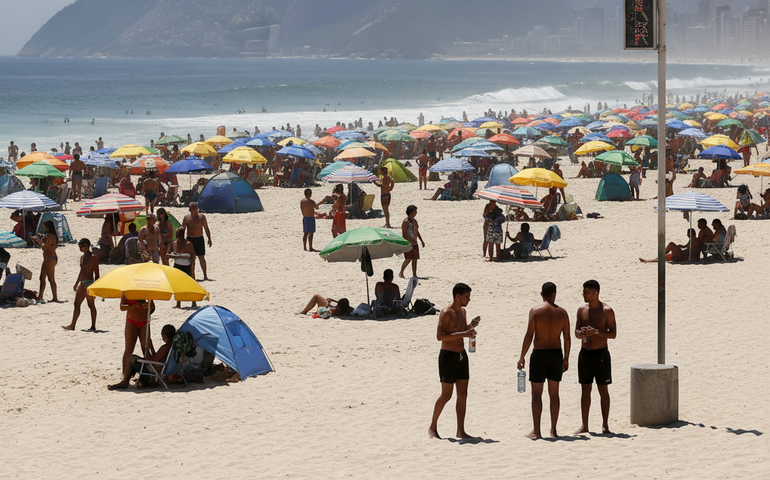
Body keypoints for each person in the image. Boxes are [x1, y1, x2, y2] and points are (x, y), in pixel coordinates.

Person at [517, 282, 571, 439]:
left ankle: (537, 431)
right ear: (555, 294)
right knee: (554, 394)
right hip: (556, 354)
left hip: (539, 355)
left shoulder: (535, 311)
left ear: (542, 294)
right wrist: (566, 358)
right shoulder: (562, 313)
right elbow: (567, 338)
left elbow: (529, 335)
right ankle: (553, 430)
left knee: (536, 394)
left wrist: (522, 356)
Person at [428, 283, 479, 440]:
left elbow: (462, 329)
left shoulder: (463, 312)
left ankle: (460, 431)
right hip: (448, 356)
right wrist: (463, 333)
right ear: (458, 296)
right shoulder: (446, 313)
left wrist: (471, 327)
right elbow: (440, 336)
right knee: (446, 395)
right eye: (466, 296)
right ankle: (432, 427)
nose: (468, 300)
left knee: (463, 394)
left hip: (461, 356)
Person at [574, 280, 617, 435]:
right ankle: (585, 425)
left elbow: (613, 334)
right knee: (585, 390)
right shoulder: (581, 310)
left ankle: (605, 425)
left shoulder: (607, 310)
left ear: (595, 293)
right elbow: (576, 332)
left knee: (603, 389)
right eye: (583, 292)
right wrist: (581, 334)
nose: (584, 295)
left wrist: (597, 332)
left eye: (587, 292)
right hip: (585, 354)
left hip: (601, 353)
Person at [108, 295, 157, 390]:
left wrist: (147, 307)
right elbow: (122, 307)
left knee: (145, 348)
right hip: (132, 321)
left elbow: (153, 307)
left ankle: (149, 376)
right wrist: (135, 306)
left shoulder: (146, 288)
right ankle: (125, 379)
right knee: (129, 349)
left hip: (144, 321)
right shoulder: (128, 290)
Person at [63, 239, 99, 331]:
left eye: (82, 246)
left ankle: (90, 325)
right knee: (81, 304)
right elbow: (81, 271)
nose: (80, 248)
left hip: (89, 283)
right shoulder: (82, 258)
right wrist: (76, 283)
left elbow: (97, 273)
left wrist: (97, 286)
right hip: (83, 283)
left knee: (87, 305)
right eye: (79, 246)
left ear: (87, 246)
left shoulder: (93, 257)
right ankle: (74, 325)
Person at [181, 202, 212, 280]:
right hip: (190, 239)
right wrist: (182, 241)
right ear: (190, 209)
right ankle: (192, 275)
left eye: (196, 207)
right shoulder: (187, 218)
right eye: (193, 208)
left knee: (201, 257)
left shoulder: (202, 217)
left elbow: (206, 228)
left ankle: (205, 275)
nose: (195, 209)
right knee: (191, 258)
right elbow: (182, 229)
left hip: (199, 238)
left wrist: (209, 239)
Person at [32, 220, 60, 302]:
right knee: (42, 278)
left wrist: (37, 241)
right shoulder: (49, 235)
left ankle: (55, 297)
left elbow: (44, 247)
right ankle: (40, 296)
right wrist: (41, 239)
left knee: (51, 279)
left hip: (50, 258)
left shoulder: (52, 236)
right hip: (47, 258)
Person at [169, 227, 197, 309]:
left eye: (180, 235)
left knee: (190, 284)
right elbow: (171, 253)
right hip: (177, 265)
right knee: (177, 285)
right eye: (177, 235)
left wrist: (192, 268)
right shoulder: (174, 243)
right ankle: (178, 303)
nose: (178, 236)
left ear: (183, 235)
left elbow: (193, 255)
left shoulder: (188, 244)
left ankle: (193, 302)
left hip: (187, 266)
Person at [399, 205, 425, 279]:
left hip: (415, 242)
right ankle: (401, 272)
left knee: (415, 259)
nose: (416, 212)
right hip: (408, 243)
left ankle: (414, 274)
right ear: (411, 212)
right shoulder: (405, 222)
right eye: (415, 211)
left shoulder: (414, 221)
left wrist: (421, 240)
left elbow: (416, 231)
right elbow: (404, 233)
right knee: (408, 259)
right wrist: (405, 243)